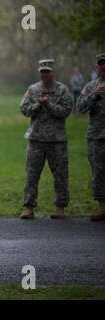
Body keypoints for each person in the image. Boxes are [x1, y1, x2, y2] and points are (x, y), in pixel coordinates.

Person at [20, 59, 73, 219]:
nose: (44, 74)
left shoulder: (62, 90)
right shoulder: (33, 89)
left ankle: (60, 207)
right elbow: (24, 109)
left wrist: (49, 105)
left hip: (56, 140)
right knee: (32, 174)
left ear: (53, 72)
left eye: (47, 71)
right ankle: (29, 207)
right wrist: (38, 105)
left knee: (60, 175)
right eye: (42, 71)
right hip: (36, 139)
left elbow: (66, 111)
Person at [77, 53, 105, 221]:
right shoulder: (90, 86)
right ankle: (102, 207)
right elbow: (80, 107)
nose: (104, 67)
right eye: (101, 64)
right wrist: (95, 94)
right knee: (99, 172)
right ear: (97, 68)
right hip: (96, 137)